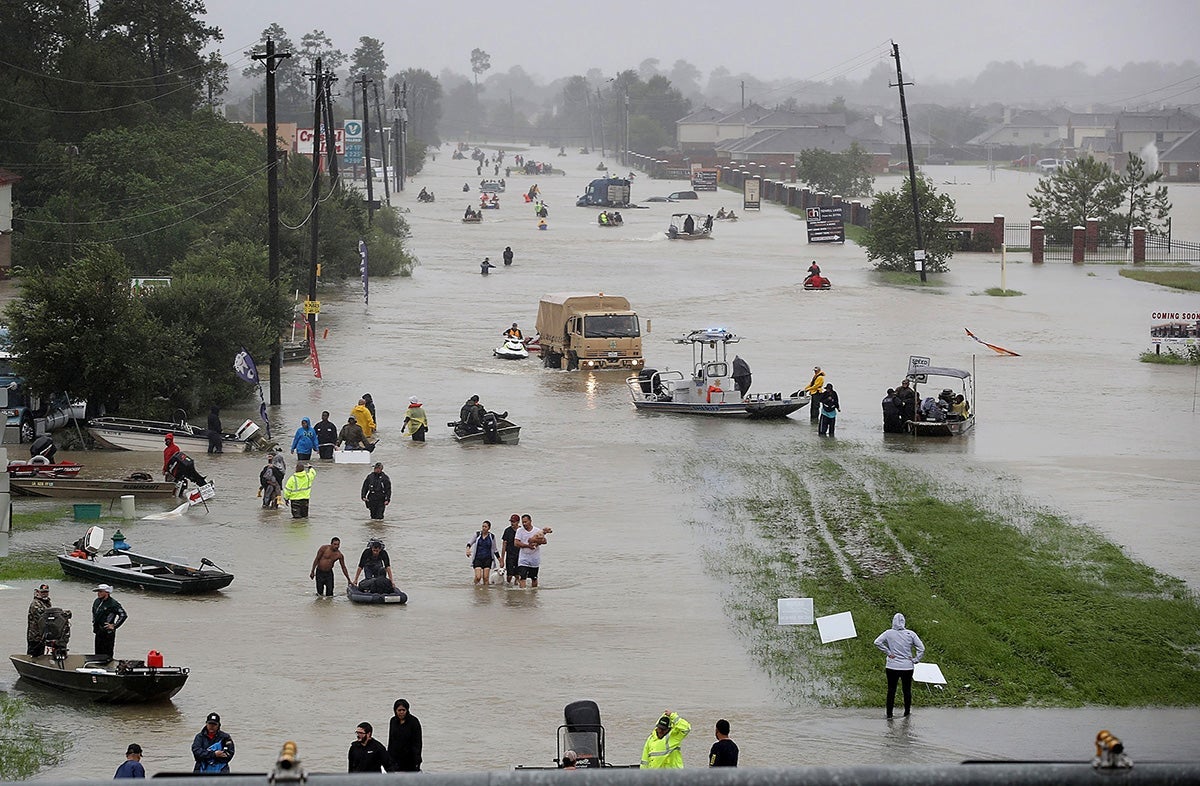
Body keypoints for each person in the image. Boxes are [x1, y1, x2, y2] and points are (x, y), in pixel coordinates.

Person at [874, 612, 925, 719]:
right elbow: (921, 648)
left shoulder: (888, 633)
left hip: (892, 666)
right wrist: (916, 659)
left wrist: (888, 652)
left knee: (891, 690)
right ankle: (907, 712)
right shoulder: (911, 634)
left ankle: (889, 714)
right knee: (907, 690)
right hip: (907, 667)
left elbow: (877, 642)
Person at [514, 513, 552, 588]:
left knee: (534, 578)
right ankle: (523, 594)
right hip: (523, 558)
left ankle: (534, 595)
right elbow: (516, 543)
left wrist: (535, 541)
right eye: (523, 522)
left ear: (530, 521)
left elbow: (544, 541)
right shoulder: (519, 531)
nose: (524, 524)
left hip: (534, 558)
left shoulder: (537, 530)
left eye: (526, 522)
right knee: (522, 577)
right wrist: (528, 546)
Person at [91, 584, 126, 659]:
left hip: (108, 633)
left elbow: (123, 615)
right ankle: (97, 667)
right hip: (98, 631)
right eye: (98, 591)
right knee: (97, 654)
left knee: (107, 655)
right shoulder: (96, 601)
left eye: (100, 591)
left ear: (107, 592)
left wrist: (114, 626)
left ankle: (108, 667)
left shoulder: (113, 604)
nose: (98, 593)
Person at [387, 698, 422, 772]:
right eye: (399, 710)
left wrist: (417, 759)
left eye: (403, 710)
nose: (401, 712)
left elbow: (418, 742)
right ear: (395, 711)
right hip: (395, 758)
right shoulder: (393, 721)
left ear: (407, 710)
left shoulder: (414, 721)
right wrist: (389, 757)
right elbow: (391, 740)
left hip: (410, 758)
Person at [26, 583, 58, 656]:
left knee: (41, 656)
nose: (45, 594)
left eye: (46, 592)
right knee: (32, 656)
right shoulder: (35, 604)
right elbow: (43, 617)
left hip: (43, 636)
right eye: (43, 592)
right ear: (39, 592)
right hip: (34, 636)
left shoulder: (47, 603)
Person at [466, 520, 500, 585]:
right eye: (483, 526)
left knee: (486, 578)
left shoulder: (491, 536)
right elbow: (469, 543)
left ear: (489, 528)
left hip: (488, 559)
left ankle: (485, 592)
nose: (484, 528)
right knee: (478, 577)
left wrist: (500, 559)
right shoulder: (477, 535)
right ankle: (475, 587)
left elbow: (494, 549)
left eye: (485, 527)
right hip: (478, 558)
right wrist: (468, 550)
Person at [501, 514, 521, 586]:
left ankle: (517, 590)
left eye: (514, 521)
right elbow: (504, 545)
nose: (512, 523)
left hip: (520, 555)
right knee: (509, 575)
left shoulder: (521, 530)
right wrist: (502, 559)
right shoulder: (507, 531)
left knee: (517, 575)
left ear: (518, 522)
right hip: (510, 555)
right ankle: (508, 587)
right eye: (511, 521)